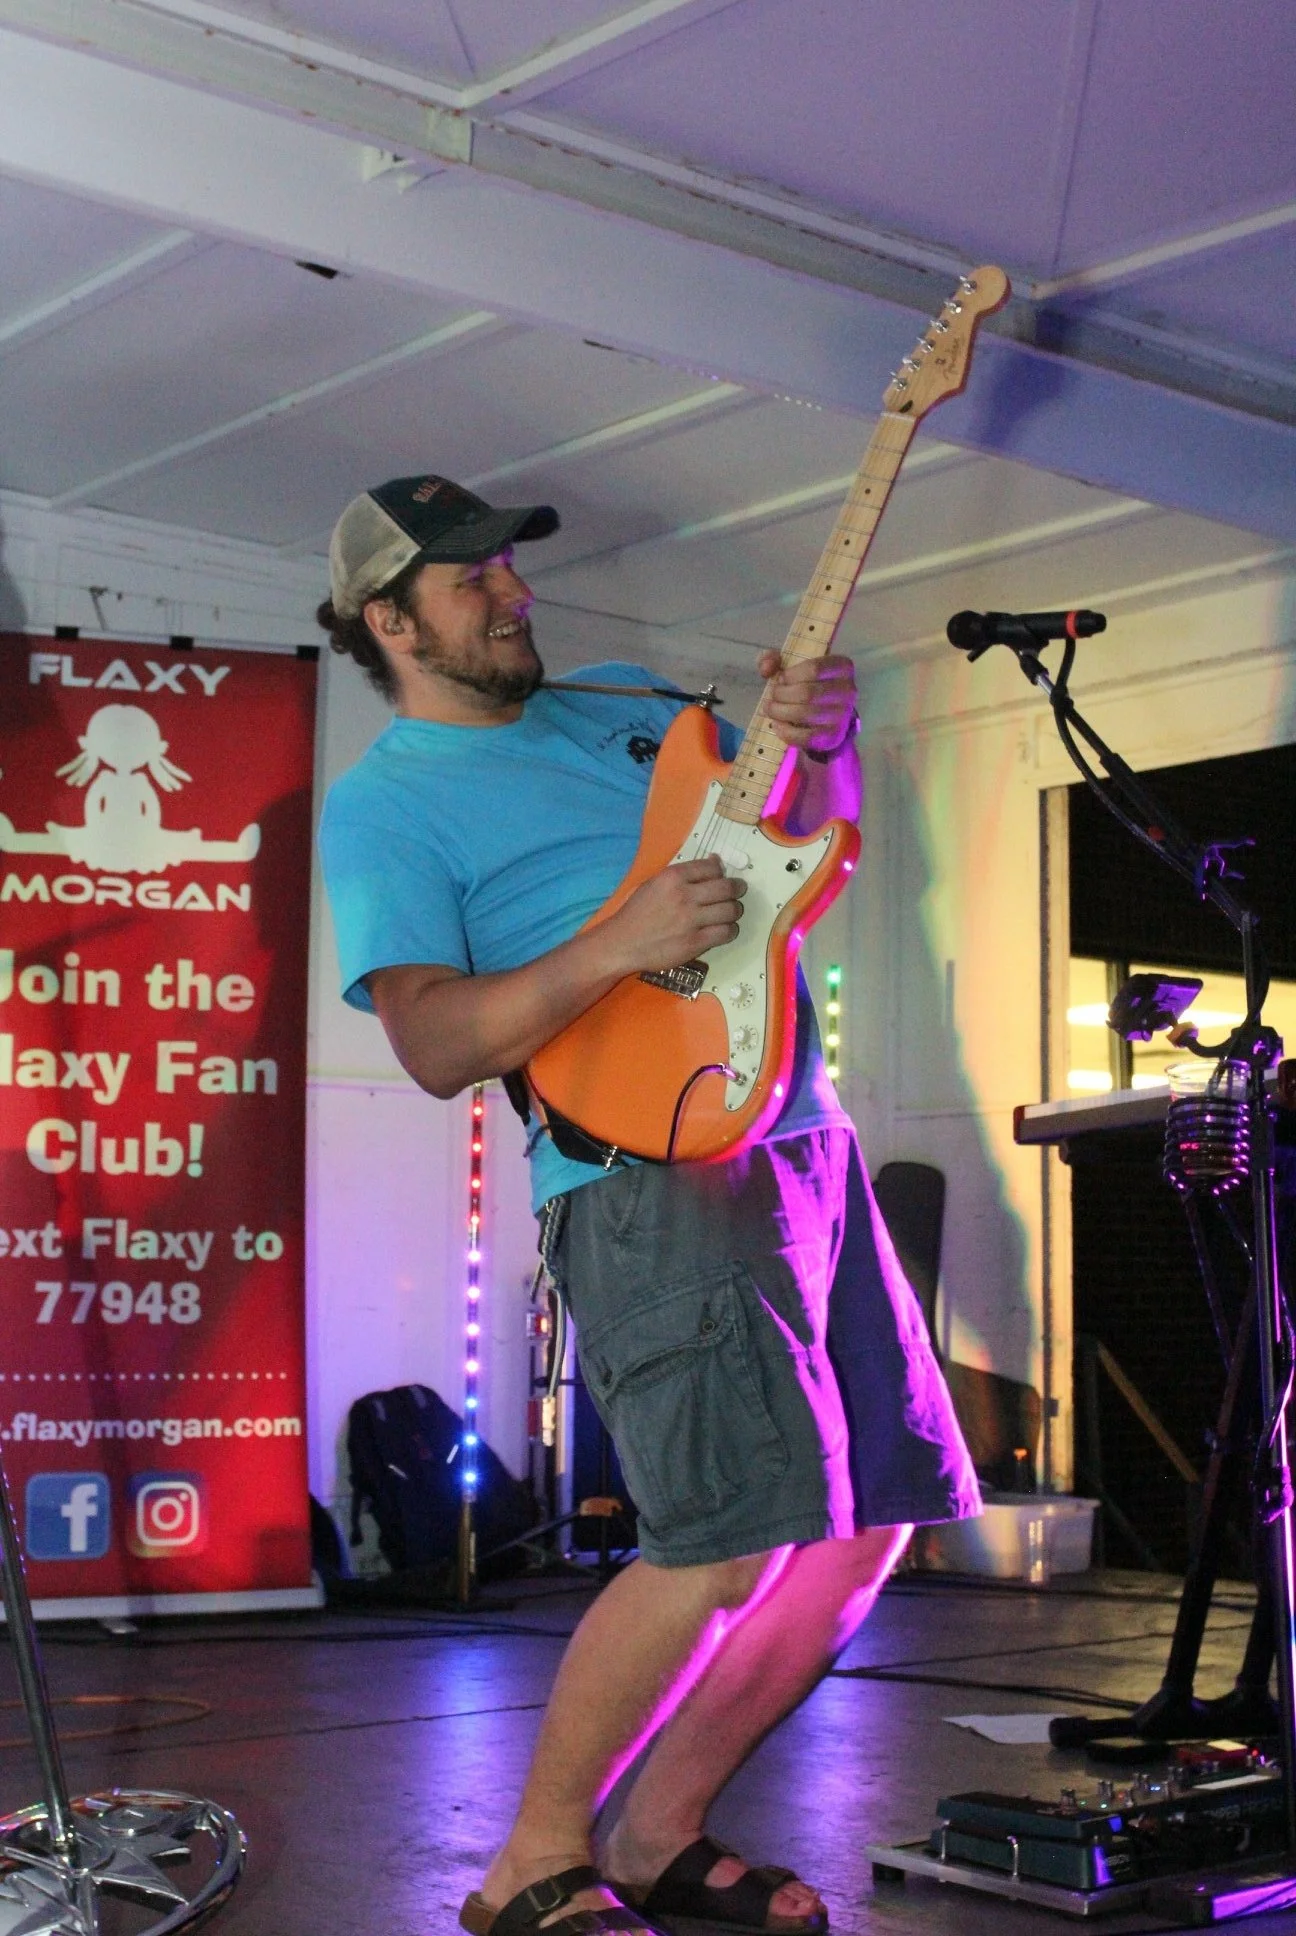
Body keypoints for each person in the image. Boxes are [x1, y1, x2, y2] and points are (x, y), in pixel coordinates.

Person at [317, 475, 978, 1936]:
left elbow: (807, 848)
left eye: (510, 568)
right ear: (390, 621)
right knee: (724, 1540)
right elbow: (434, 1047)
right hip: (642, 1176)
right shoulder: (385, 807)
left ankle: (660, 1832)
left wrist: (829, 742)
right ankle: (527, 1866)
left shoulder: (629, 706)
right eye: (471, 581)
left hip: (805, 1145)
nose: (512, 593)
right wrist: (620, 940)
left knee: (868, 1520)